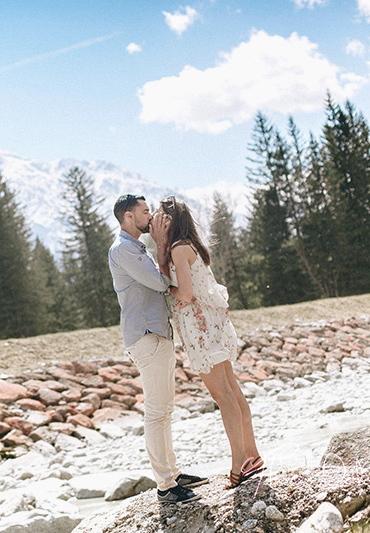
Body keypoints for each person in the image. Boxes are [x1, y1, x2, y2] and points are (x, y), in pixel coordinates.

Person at [157, 195, 264, 489]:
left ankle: (239, 463)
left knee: (223, 396)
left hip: (201, 329)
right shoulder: (189, 245)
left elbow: (187, 294)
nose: (154, 220)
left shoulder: (178, 249)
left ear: (168, 221)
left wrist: (166, 285)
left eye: (158, 216)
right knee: (232, 390)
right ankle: (251, 456)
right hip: (213, 325)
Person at [108, 194, 208, 504]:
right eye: (144, 211)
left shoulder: (137, 247)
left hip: (157, 334)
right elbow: (161, 283)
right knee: (155, 412)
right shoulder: (123, 249)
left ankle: (173, 474)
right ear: (128, 217)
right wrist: (163, 245)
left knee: (164, 410)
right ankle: (165, 485)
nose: (151, 216)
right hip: (146, 336)